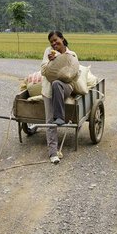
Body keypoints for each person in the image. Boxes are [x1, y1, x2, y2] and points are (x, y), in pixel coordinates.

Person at [41, 31, 78, 164]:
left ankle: (60, 117)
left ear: (62, 39)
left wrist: (62, 60)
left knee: (57, 83)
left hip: (66, 88)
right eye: (51, 42)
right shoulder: (48, 52)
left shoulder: (72, 54)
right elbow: (43, 71)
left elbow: (75, 74)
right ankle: (53, 153)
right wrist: (51, 61)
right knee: (50, 121)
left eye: (56, 40)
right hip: (49, 90)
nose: (54, 43)